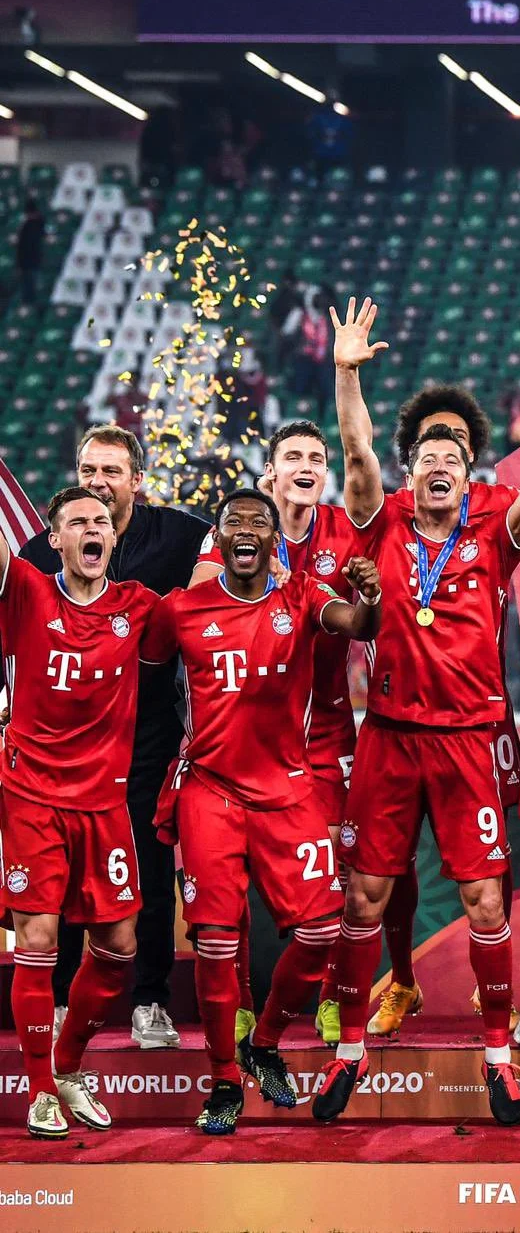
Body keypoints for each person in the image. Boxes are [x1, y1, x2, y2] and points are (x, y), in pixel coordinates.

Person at [310, 304, 520, 1126]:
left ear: (469, 475)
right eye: (427, 457)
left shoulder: (494, 524)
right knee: (364, 899)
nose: (439, 465)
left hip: (468, 740)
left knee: (487, 906)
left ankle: (499, 1061)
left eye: (453, 458)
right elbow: (355, 450)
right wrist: (347, 373)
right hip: (391, 739)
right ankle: (348, 1052)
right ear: (411, 472)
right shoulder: (382, 519)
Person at [156, 489, 379, 1134]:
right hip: (211, 791)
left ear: (274, 539)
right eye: (235, 522)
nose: (247, 530)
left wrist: (370, 597)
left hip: (287, 789)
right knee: (216, 941)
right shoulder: (181, 610)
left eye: (260, 522)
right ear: (220, 539)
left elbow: (360, 625)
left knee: (320, 932)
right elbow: (134, 673)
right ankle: (225, 1079)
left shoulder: (301, 596)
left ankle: (266, 1040)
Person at [18, 426, 212, 1049]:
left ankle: (149, 1001)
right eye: (88, 470)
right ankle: (57, 1003)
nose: (98, 482)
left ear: (137, 480)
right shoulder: (41, 551)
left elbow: (226, 565)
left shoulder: (181, 536)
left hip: (149, 737)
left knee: (149, 869)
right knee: (65, 878)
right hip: (66, 750)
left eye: (111, 471)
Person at [189, 420, 367, 1046]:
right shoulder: (241, 530)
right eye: (293, 456)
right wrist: (270, 582)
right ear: (270, 472)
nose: (306, 466)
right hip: (247, 737)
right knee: (230, 878)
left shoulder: (346, 532)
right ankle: (239, 1001)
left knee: (336, 872)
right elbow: (199, 597)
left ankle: (331, 997)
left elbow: (366, 613)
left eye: (317, 457)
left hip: (324, 731)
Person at [1, 488, 169, 1138]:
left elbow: (207, 609)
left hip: (105, 802)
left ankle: (67, 1065)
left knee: (119, 947)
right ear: (56, 540)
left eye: (101, 521)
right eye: (77, 522)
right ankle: (40, 1091)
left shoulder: (139, 606)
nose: (92, 529)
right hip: (32, 795)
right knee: (38, 941)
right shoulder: (25, 589)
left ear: (112, 537)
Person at [14, 197, 44, 306]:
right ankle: (29, 304)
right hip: (28, 262)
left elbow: (22, 245)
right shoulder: (28, 225)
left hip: (32, 261)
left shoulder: (32, 224)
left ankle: (32, 305)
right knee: (28, 287)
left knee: (33, 287)